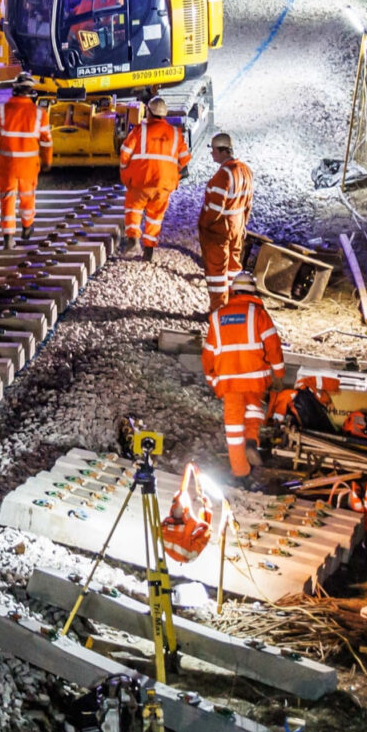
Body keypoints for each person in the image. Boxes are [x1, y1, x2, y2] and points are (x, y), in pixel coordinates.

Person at [201, 270, 284, 478]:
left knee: (233, 429)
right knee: (254, 411)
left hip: (228, 383)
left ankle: (240, 472)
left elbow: (208, 353)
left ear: (233, 292)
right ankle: (251, 441)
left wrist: (212, 378)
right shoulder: (258, 314)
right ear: (253, 293)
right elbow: (273, 346)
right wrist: (279, 373)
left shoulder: (217, 317)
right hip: (255, 379)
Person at [116, 95, 190, 258]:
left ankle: (133, 241)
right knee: (155, 216)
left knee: (134, 208)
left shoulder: (139, 130)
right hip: (163, 184)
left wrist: (125, 173)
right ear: (164, 115)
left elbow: (125, 153)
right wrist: (172, 171)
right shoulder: (176, 134)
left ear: (148, 112)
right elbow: (184, 158)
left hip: (141, 181)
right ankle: (149, 249)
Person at [0, 87, 52, 246]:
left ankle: (8, 237)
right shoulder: (39, 114)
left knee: (7, 199)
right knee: (27, 197)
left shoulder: (2, 111)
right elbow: (46, 141)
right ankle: (27, 227)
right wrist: (46, 161)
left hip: (7, 165)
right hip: (28, 166)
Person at [197, 131, 254, 309]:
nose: (211, 153)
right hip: (237, 224)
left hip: (220, 227)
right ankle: (235, 304)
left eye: (213, 150)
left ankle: (218, 309)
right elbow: (248, 203)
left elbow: (215, 208)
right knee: (233, 268)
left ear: (223, 151)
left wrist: (204, 226)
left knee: (217, 271)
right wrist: (243, 224)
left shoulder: (224, 175)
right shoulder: (246, 170)